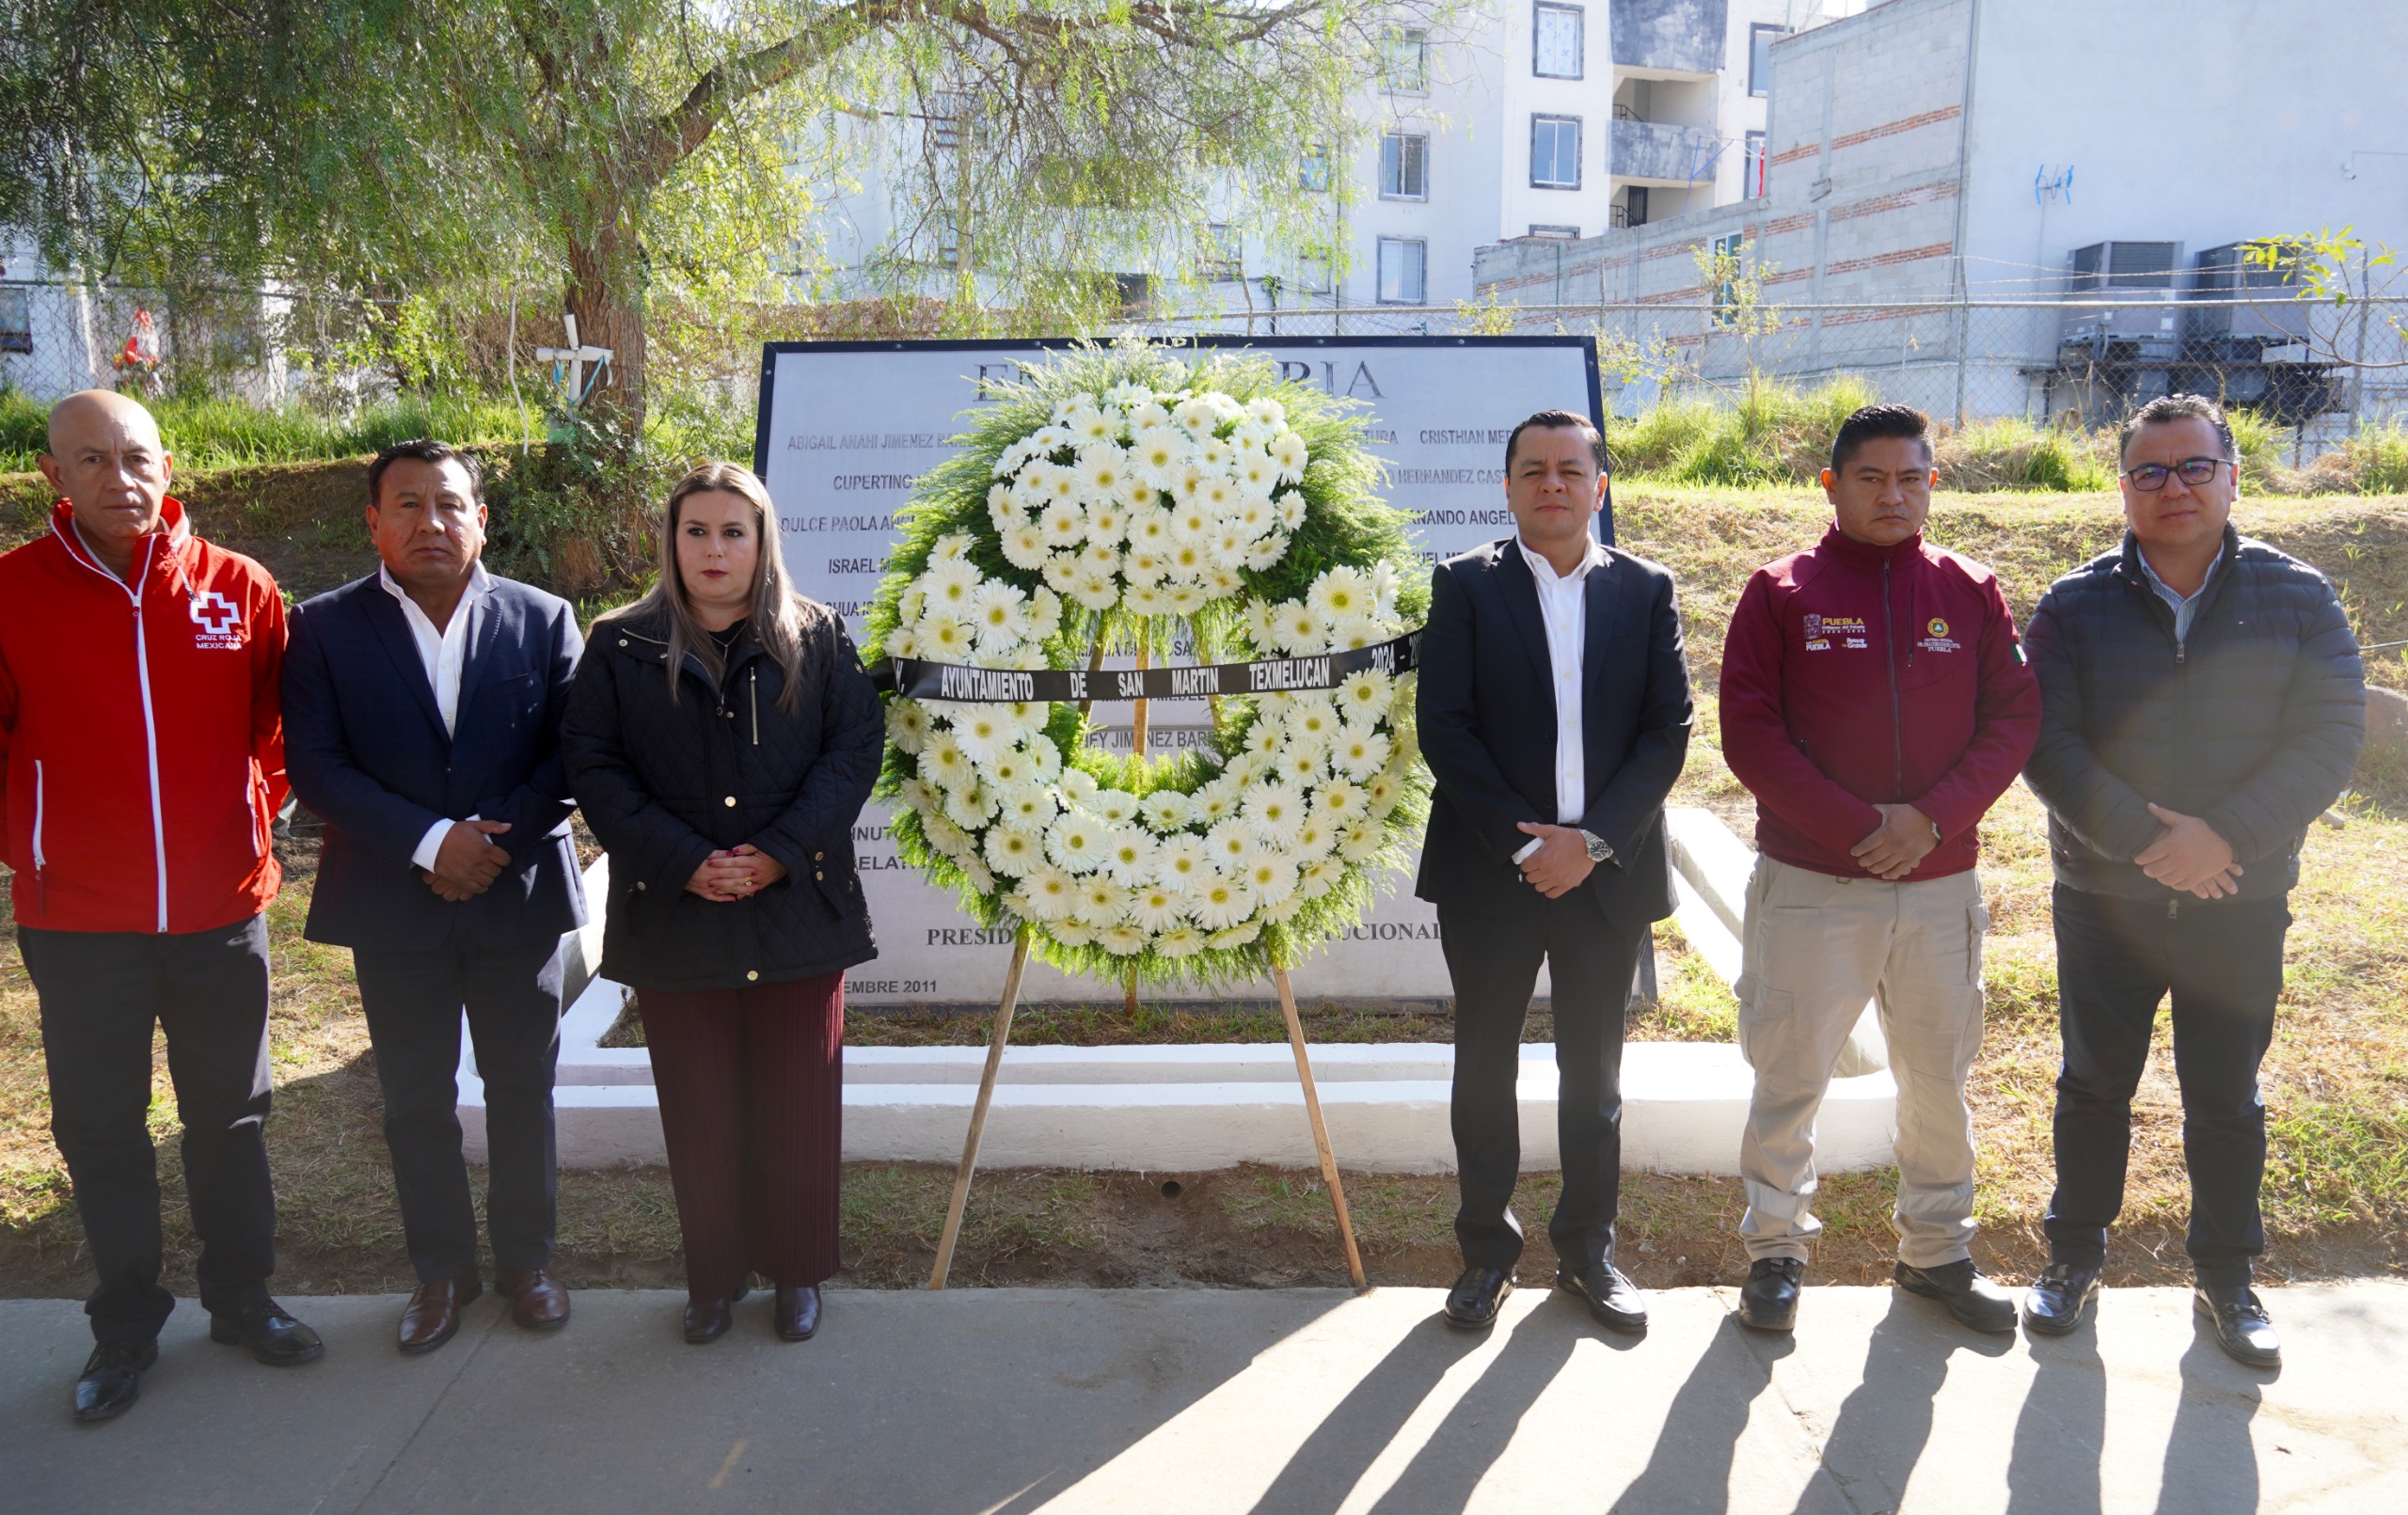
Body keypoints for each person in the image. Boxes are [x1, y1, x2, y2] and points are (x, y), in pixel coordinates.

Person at [0, 390, 323, 1423]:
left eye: (136, 456)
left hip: (218, 912)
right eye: (92, 460)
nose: (119, 478)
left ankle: (243, 1298)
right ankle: (126, 1325)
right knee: (101, 1128)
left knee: (231, 1116)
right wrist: (34, 843)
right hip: (77, 919)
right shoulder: (12, 592)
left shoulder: (240, 585)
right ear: (55, 475)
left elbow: (277, 733)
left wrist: (247, 823)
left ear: (167, 465)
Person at [2022, 394, 2363, 1366]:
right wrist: (2145, 840)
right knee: (2093, 1085)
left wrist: (2226, 838)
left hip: (2237, 898)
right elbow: (2044, 739)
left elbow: (2331, 734)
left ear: (2232, 477)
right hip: (2105, 899)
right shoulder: (2074, 603)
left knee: (2225, 1094)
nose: (2173, 487)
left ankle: (2226, 1275)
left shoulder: (2297, 596)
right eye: (2150, 471)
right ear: (2123, 487)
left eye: (2194, 467)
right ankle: (2072, 1259)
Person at [1718, 403, 2041, 1335]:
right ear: (1832, 485)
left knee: (1938, 1077)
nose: (1892, 495)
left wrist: (1931, 821)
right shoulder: (1781, 591)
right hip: (1814, 885)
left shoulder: (1969, 590)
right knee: (1790, 1076)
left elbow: (2014, 718)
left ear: (1931, 483)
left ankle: (1936, 1254)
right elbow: (1750, 734)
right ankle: (1775, 1252)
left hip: (1938, 887)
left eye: (1910, 478)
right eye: (1870, 478)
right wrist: (1863, 830)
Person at [562, 462, 880, 1345]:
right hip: (677, 915)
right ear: (671, 541)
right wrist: (685, 861)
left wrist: (779, 854)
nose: (714, 548)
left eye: (733, 531)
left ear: (762, 539)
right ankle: (714, 1278)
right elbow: (594, 764)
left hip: (798, 912)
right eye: (695, 530)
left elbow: (854, 751)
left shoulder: (817, 636)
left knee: (798, 1106)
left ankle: (797, 1274)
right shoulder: (619, 645)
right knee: (700, 1110)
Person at [281, 440, 586, 1354]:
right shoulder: (323, 627)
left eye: (450, 504)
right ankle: (442, 1272)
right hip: (392, 899)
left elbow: (575, 753)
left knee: (522, 1086)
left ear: (479, 520)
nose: (431, 522)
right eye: (408, 505)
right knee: (414, 1097)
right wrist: (430, 842)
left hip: (516, 894)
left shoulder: (542, 618)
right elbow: (317, 766)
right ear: (373, 522)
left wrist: (490, 847)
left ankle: (528, 1262)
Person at [1415, 408, 1692, 1334]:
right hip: (1490, 875)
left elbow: (1667, 731)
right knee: (1483, 1067)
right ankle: (1485, 1255)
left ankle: (1586, 1250)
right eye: (1533, 469)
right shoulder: (1464, 584)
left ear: (1598, 487)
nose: (1552, 484)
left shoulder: (1645, 589)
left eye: (1571, 469)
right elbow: (1444, 726)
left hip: (1606, 879)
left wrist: (1592, 842)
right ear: (1507, 486)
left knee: (1594, 1074)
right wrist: (1528, 844)